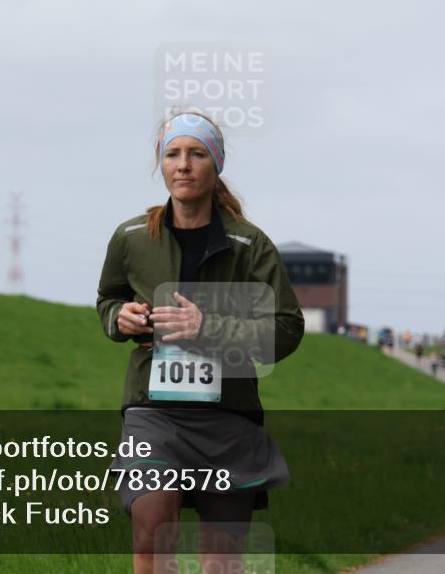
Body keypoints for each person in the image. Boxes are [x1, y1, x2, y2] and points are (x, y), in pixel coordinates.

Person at [96, 111, 305, 573]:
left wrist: (206, 327)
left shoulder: (251, 247)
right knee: (152, 529)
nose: (183, 165)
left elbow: (286, 329)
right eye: (172, 154)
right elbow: (108, 299)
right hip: (154, 412)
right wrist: (120, 318)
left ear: (217, 165)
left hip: (228, 414)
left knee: (222, 562)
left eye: (197, 154)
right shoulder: (131, 238)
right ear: (161, 164)